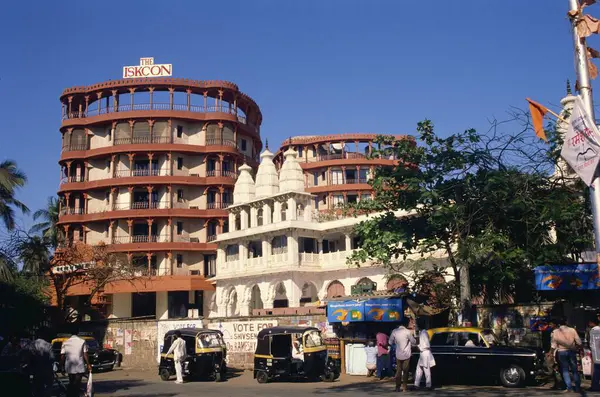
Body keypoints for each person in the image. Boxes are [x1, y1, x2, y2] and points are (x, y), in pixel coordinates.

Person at [551, 318, 582, 393]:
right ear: (566, 322)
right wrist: (578, 348)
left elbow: (553, 345)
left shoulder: (555, 332)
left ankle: (569, 387)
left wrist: (551, 353)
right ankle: (577, 387)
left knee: (565, 370)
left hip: (561, 352)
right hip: (571, 351)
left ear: (559, 324)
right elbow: (579, 341)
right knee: (574, 369)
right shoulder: (572, 330)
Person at [389, 318, 416, 392]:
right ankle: (404, 387)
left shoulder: (394, 331)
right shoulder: (407, 332)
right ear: (406, 324)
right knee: (406, 371)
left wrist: (396, 342)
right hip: (407, 354)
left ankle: (397, 387)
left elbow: (390, 342)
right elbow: (413, 342)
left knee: (398, 371)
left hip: (398, 354)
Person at [29, 329, 54, 397]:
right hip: (46, 369)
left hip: (36, 369)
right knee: (47, 386)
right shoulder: (48, 345)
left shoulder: (32, 344)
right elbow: (52, 358)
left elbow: (29, 356)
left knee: (37, 386)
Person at [414, 319, 435, 391]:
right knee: (419, 369)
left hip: (425, 352)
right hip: (422, 353)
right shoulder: (421, 332)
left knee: (426, 369)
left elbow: (427, 344)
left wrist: (419, 346)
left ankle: (428, 385)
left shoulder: (423, 333)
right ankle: (416, 385)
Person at [588, 314, 600, 392]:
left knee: (596, 371)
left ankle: (595, 386)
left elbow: (591, 344)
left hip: (596, 355)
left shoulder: (593, 331)